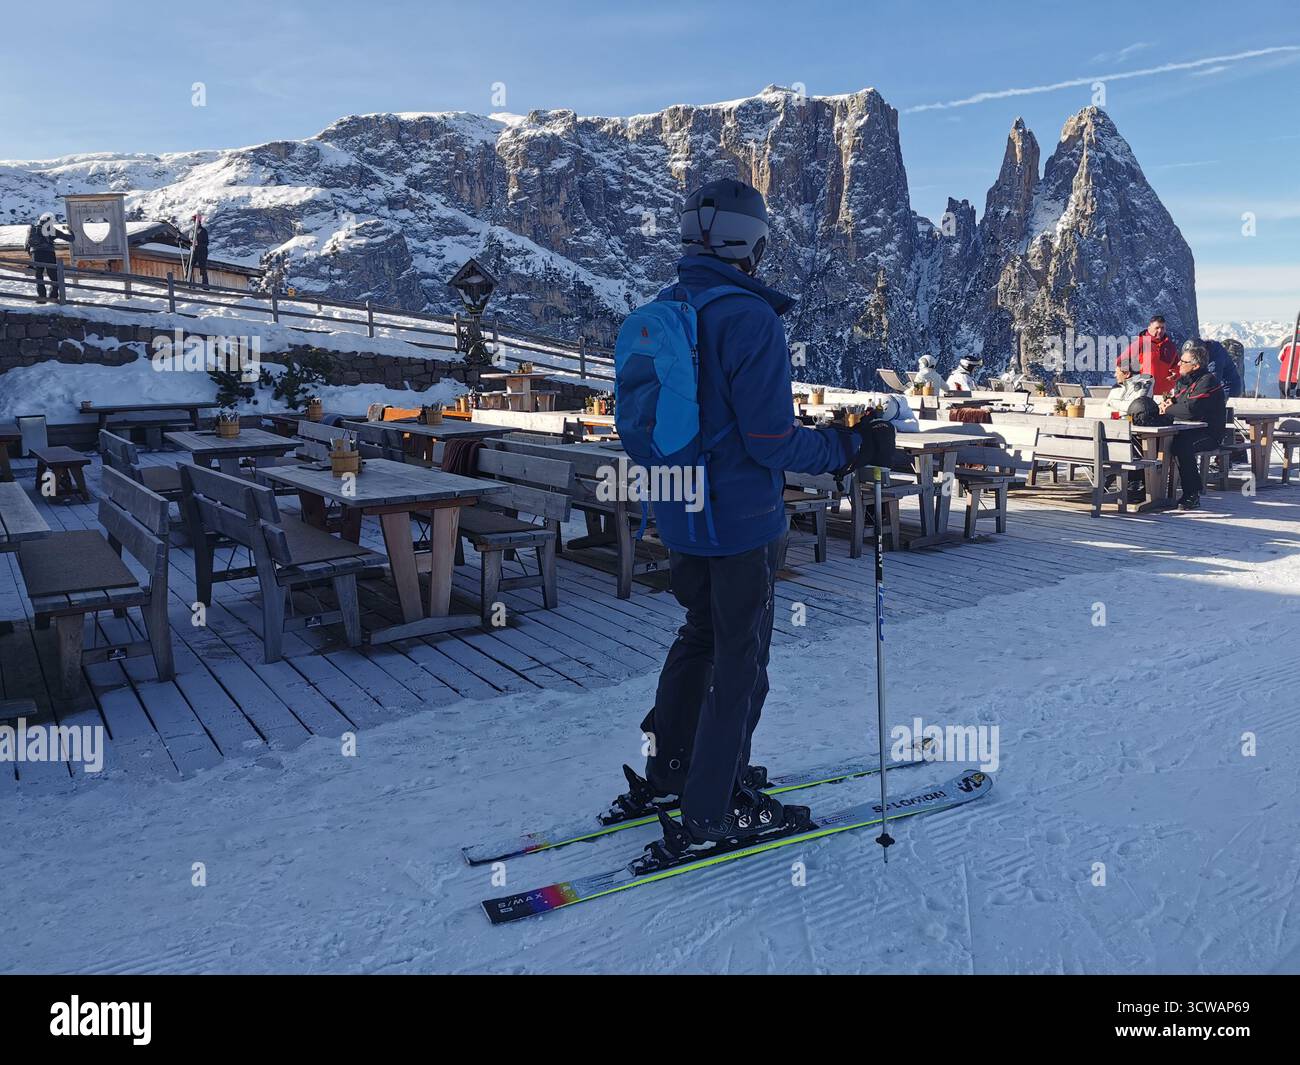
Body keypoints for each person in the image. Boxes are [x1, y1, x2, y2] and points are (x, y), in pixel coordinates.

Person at [614, 177, 896, 855]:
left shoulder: (666, 305)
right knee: (741, 658)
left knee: (698, 636)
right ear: (753, 245)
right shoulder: (749, 317)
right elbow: (769, 440)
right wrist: (849, 446)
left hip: (679, 509)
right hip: (739, 519)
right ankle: (714, 805)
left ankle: (671, 769)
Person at [1160, 339, 1227, 510]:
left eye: (1183, 362)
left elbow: (1190, 410)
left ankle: (1192, 494)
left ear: (1195, 366)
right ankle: (1145, 487)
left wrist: (1168, 409)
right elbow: (1176, 403)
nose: (1179, 364)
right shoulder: (1184, 381)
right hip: (1186, 429)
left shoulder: (1207, 381)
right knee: (1158, 441)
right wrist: (1169, 405)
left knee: (1181, 446)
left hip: (1209, 434)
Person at [1120, 315, 1180, 395]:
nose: (1160, 331)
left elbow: (1178, 365)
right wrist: (1129, 377)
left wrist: (1176, 373)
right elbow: (1123, 360)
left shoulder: (1171, 346)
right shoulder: (1140, 344)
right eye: (1157, 328)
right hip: (1144, 393)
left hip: (1166, 394)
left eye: (1163, 328)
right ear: (1149, 327)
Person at [24, 212, 74, 302]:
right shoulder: (51, 229)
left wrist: (31, 255)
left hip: (36, 254)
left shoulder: (33, 229)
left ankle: (41, 298)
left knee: (39, 276)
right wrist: (69, 230)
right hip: (49, 254)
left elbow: (26, 245)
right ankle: (53, 297)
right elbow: (70, 239)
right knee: (54, 277)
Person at [183, 215, 210, 288]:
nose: (194, 222)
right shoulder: (191, 231)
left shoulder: (203, 231)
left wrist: (198, 243)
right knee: (188, 266)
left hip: (202, 251)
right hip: (193, 251)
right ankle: (188, 283)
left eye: (195, 221)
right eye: (194, 221)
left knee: (202, 267)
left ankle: (205, 286)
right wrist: (181, 240)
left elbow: (206, 243)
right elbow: (189, 242)